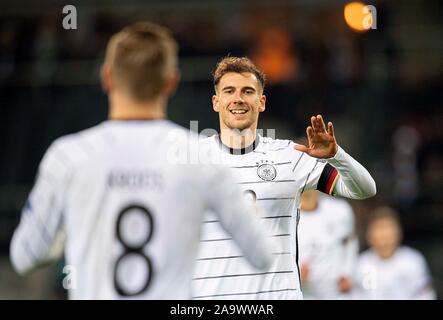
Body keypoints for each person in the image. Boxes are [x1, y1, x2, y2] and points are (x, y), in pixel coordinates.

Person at [9, 22, 273, 300]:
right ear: (172, 82)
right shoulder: (202, 158)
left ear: (107, 77)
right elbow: (262, 256)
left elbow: (24, 257)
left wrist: (62, 235)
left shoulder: (68, 156)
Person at [191, 56, 376, 300]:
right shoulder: (190, 159)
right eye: (229, 91)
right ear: (216, 102)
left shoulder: (290, 156)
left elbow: (365, 189)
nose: (238, 99)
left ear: (261, 102)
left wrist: (336, 155)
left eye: (247, 91)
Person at [353, 206, 436, 300]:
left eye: (388, 228)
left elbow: (426, 295)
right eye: (379, 228)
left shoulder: (413, 261)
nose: (384, 235)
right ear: (369, 235)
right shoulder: (360, 264)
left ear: (399, 232)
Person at [298, 190, 358, 299]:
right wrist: (295, 277)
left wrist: (348, 272)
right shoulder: (284, 218)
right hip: (304, 295)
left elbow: (350, 242)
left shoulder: (340, 210)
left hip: (338, 294)